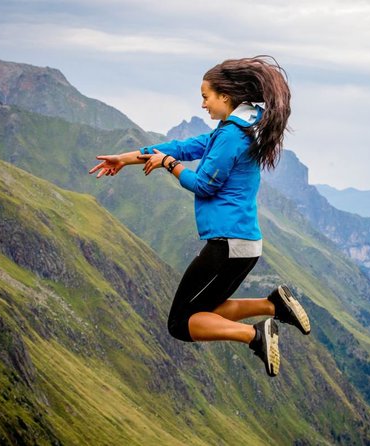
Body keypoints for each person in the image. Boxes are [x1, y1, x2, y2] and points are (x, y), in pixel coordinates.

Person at [89, 56, 310, 377]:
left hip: (227, 245)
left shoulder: (231, 137)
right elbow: (183, 146)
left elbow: (204, 185)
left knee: (180, 323)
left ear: (225, 96)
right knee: (205, 311)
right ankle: (274, 306)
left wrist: (168, 164)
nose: (203, 103)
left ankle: (255, 334)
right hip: (243, 244)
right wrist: (125, 158)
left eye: (206, 96)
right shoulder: (234, 130)